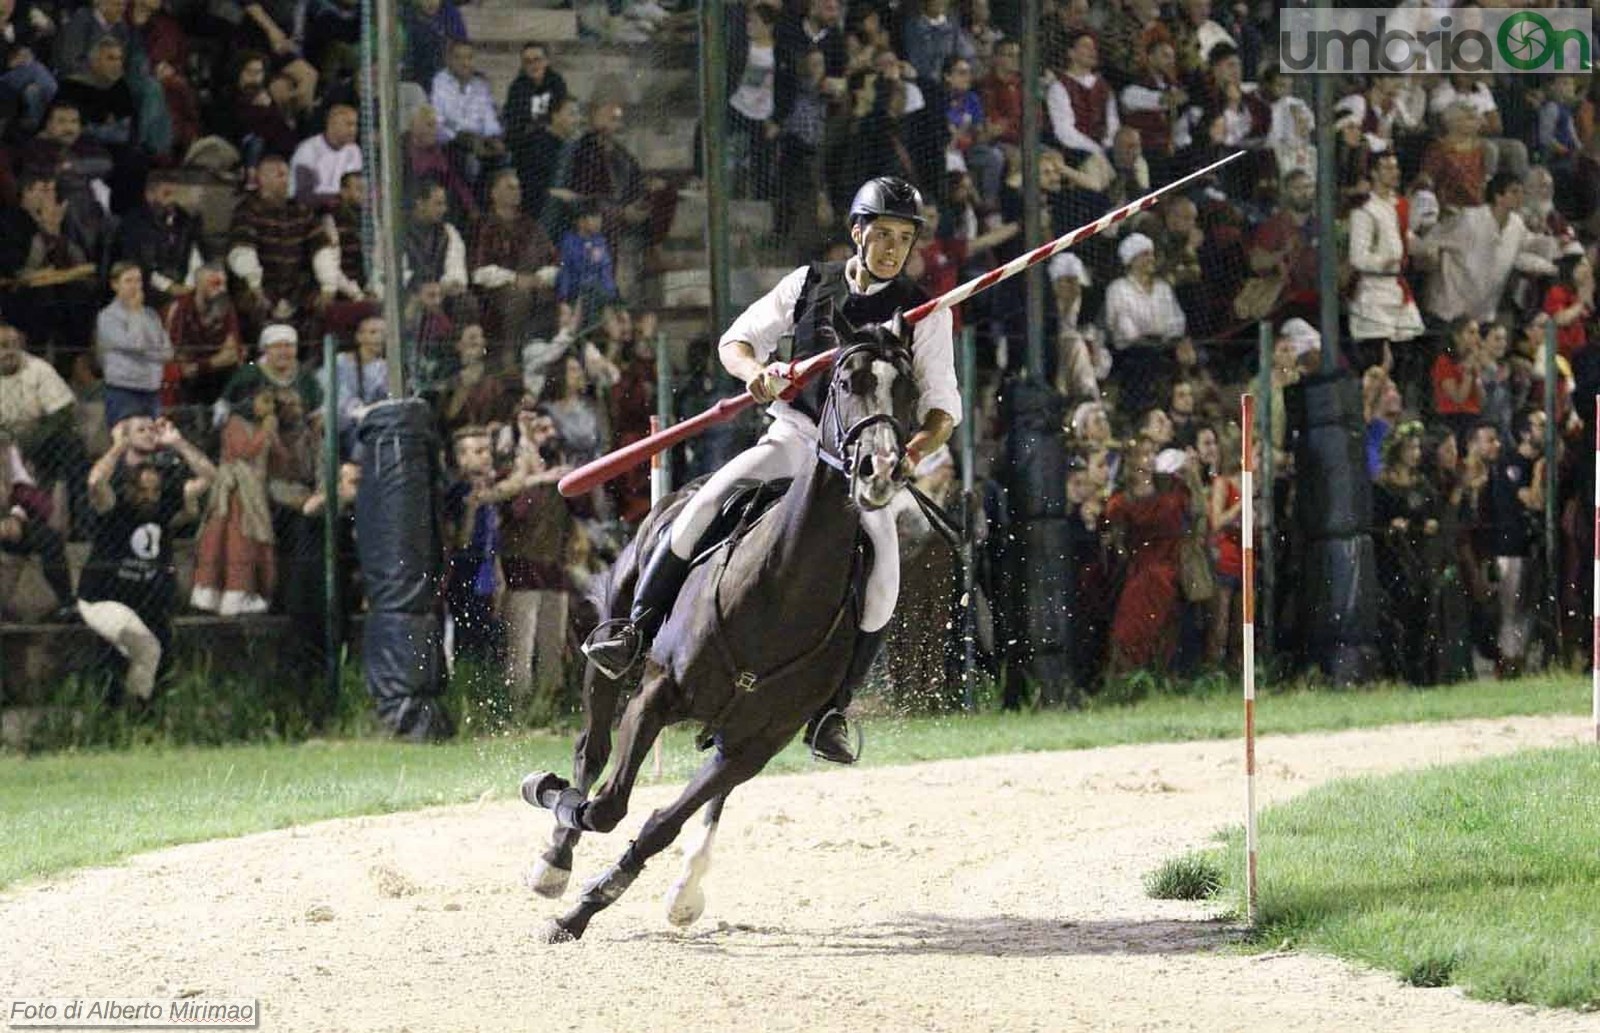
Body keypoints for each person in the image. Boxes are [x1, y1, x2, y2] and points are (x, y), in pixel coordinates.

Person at [582, 176, 960, 764]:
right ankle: (632, 631)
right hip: (796, 437)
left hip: (863, 465)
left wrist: (908, 454)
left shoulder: (925, 312)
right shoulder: (808, 283)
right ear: (857, 233)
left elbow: (942, 409)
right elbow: (736, 343)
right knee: (708, 502)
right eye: (882, 234)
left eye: (904, 238)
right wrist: (757, 374)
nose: (892, 248)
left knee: (885, 569)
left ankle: (833, 708)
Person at [78, 415, 215, 706]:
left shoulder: (164, 496)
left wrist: (178, 442)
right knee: (141, 647)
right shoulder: (114, 497)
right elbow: (95, 480)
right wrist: (118, 445)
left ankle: (141, 715)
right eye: (140, 429)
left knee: (159, 653)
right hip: (104, 596)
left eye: (154, 490)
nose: (149, 495)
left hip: (148, 597)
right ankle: (124, 714)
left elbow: (209, 477)